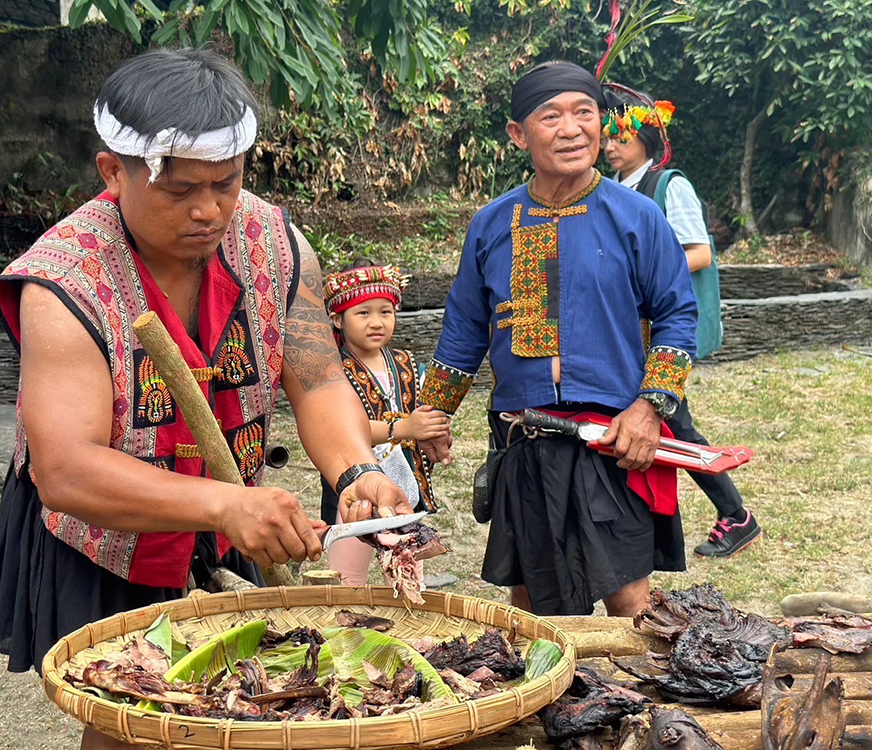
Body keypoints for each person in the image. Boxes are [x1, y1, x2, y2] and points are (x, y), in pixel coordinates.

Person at [0, 49, 410, 749]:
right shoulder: (63, 283)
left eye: (228, 182)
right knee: (130, 717)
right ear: (113, 172)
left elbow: (319, 377)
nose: (210, 209)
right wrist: (227, 503)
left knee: (238, 705)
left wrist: (356, 470)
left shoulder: (275, 241)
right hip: (106, 539)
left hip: (226, 511)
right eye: (180, 190)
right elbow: (63, 470)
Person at [417, 61, 698, 618]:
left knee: (632, 604)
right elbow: (463, 332)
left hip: (612, 440)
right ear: (519, 134)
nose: (572, 129)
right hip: (526, 440)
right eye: (552, 116)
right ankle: (549, 704)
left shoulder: (637, 217)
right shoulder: (494, 224)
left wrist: (649, 408)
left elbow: (677, 316)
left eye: (584, 113)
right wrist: (432, 412)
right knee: (534, 607)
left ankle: (639, 702)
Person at [602, 91, 762, 558]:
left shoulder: (668, 185)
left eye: (624, 137)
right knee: (668, 420)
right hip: (629, 334)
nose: (612, 146)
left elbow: (699, 251)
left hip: (662, 332)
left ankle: (736, 514)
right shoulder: (613, 187)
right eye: (610, 137)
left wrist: (637, 276)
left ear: (648, 139)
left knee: (672, 419)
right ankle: (730, 514)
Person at [319, 261, 449, 584]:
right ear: (337, 318)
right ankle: (344, 627)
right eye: (363, 313)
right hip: (354, 488)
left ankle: (411, 628)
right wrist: (404, 428)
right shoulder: (333, 373)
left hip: (401, 485)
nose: (376, 322)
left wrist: (434, 439)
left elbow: (418, 414)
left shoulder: (403, 363)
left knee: (408, 568)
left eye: (385, 312)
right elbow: (345, 428)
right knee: (347, 576)